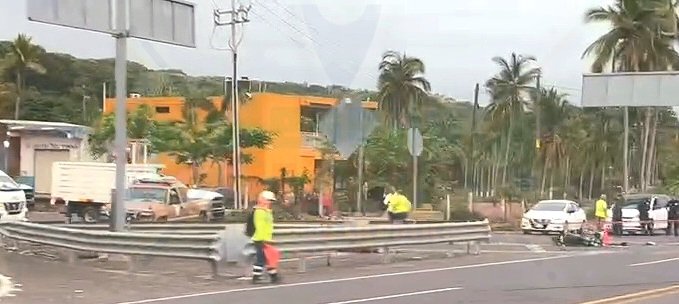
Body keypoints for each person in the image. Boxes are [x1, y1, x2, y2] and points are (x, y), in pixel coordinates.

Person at [251, 190, 280, 284]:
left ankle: (273, 276)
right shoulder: (260, 211)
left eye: (271, 201)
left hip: (265, 239)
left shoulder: (266, 211)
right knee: (262, 258)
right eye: (268, 200)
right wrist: (264, 240)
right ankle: (258, 277)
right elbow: (260, 227)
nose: (270, 202)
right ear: (262, 200)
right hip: (261, 239)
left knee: (268, 257)